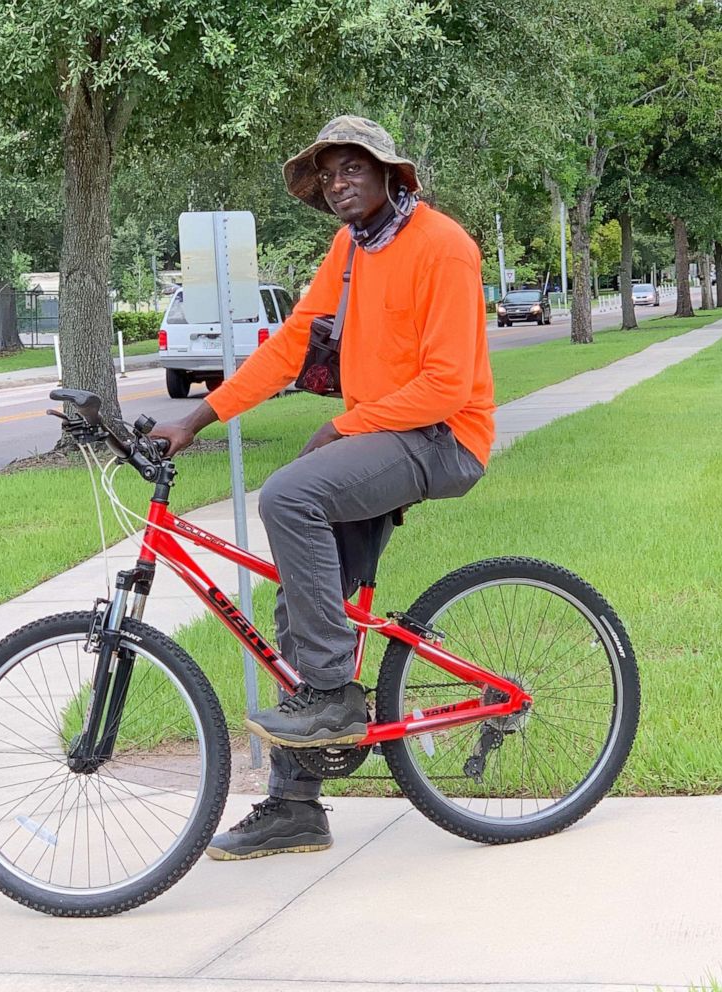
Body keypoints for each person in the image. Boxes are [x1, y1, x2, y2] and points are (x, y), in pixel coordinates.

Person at [151, 115, 495, 861]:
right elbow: (290, 348)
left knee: (287, 495)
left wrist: (344, 429)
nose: (339, 183)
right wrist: (199, 417)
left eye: (352, 169)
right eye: (328, 173)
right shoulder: (349, 249)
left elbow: (447, 386)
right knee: (300, 603)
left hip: (445, 438)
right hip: (384, 433)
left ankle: (334, 695)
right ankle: (294, 808)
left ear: (388, 174)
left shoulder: (444, 247)